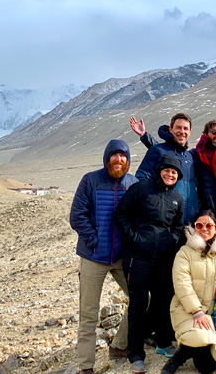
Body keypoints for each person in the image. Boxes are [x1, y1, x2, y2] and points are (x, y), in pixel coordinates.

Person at [70, 139, 138, 374]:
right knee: (88, 314)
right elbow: (77, 216)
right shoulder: (91, 180)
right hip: (93, 257)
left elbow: (139, 217)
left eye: (123, 156)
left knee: (141, 298)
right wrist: (95, 240)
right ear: (107, 157)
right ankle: (85, 366)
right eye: (115, 156)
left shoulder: (133, 183)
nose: (118, 160)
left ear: (128, 160)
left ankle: (119, 345)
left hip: (121, 258)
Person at [116, 155, 185, 374]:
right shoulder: (141, 190)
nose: (170, 174)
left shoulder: (177, 198)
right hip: (138, 257)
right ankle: (136, 354)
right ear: (159, 171)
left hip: (164, 258)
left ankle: (164, 342)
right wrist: (133, 239)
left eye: (174, 172)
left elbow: (178, 226)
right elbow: (121, 215)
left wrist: (172, 241)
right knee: (137, 304)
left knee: (163, 300)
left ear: (178, 176)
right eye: (166, 170)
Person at [162, 210, 216, 374]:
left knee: (207, 366)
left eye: (209, 225)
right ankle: (177, 359)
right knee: (202, 342)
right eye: (199, 225)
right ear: (194, 228)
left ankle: (186, 353)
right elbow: (182, 284)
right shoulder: (184, 253)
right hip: (188, 310)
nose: (204, 229)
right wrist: (197, 311)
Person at [132, 113, 200, 224]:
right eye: (178, 127)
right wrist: (154, 205)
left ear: (190, 132)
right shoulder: (157, 150)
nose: (182, 131)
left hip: (189, 221)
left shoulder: (190, 157)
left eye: (186, 128)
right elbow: (141, 179)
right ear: (171, 129)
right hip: (165, 219)